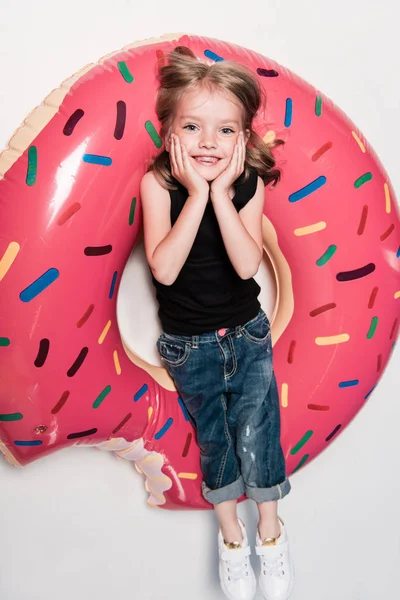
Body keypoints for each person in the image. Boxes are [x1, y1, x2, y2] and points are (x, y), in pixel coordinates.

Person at [140, 46, 294, 600]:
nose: (209, 142)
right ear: (168, 134)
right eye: (192, 126)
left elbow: (248, 263)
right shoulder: (157, 185)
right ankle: (232, 538)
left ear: (244, 138)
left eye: (225, 130)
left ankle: (271, 534)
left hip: (248, 334)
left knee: (258, 430)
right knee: (216, 443)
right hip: (188, 345)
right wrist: (197, 196)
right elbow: (164, 265)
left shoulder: (248, 183)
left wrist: (221, 195)